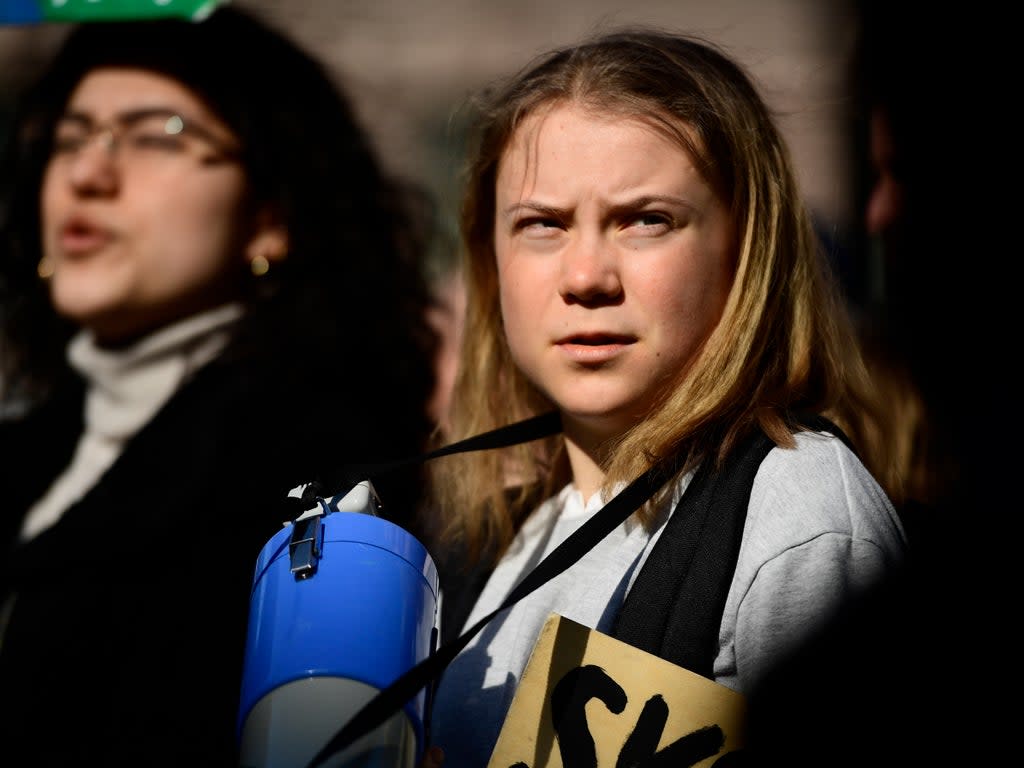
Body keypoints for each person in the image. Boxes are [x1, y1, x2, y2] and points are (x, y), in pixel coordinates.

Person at [421, 27, 907, 766]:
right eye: (542, 225)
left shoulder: (799, 517)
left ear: (747, 251)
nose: (586, 276)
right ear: (490, 262)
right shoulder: (505, 528)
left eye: (646, 220)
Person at [0, 5, 440, 764]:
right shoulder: (29, 446)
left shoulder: (312, 480)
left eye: (157, 135)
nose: (87, 173)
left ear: (271, 215)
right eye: (69, 137)